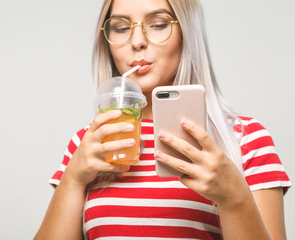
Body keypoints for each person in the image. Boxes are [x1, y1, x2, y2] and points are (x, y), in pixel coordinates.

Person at [34, 0, 291, 239]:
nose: (137, 42)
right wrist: (73, 179)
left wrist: (234, 197)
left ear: (187, 33)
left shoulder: (246, 137)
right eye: (121, 28)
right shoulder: (88, 143)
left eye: (158, 24)